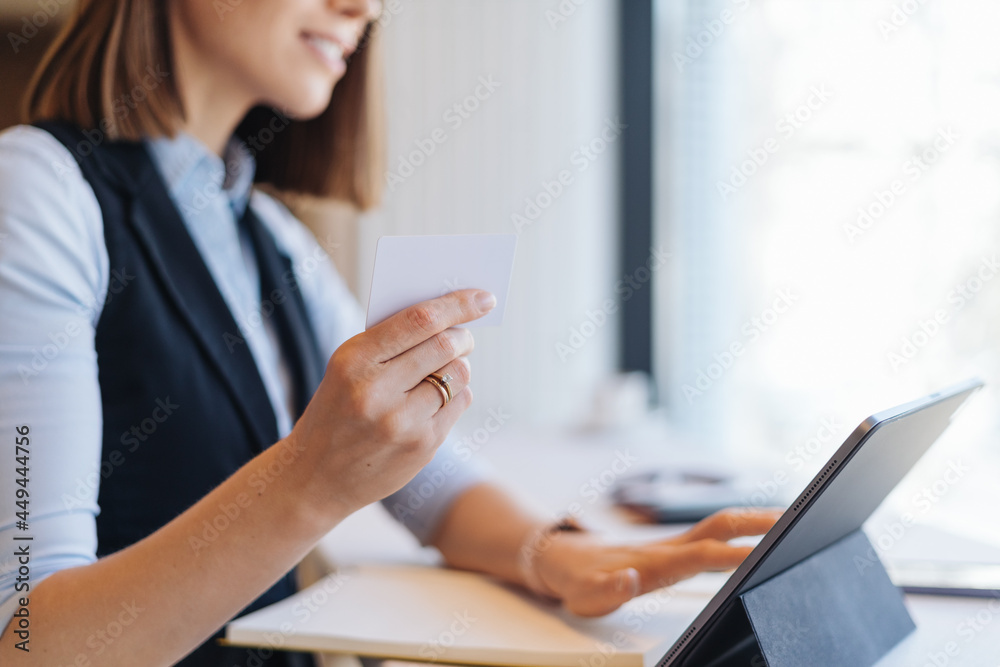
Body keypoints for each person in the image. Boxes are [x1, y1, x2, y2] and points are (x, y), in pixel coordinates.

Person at [0, 1, 780, 665]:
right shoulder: (36, 189)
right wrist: (311, 478)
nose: (364, 7)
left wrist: (559, 555)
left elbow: (431, 482)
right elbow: (26, 636)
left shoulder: (265, 233)